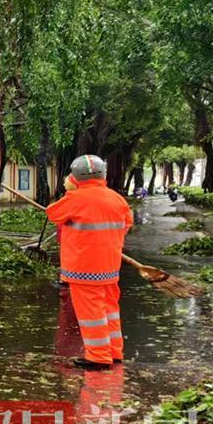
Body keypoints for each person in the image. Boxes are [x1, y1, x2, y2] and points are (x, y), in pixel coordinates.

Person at [46, 154, 133, 370]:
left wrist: (70, 190)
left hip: (84, 269)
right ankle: (114, 351)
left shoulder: (76, 199)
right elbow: (127, 223)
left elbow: (53, 213)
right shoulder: (116, 198)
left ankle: (98, 357)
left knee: (91, 313)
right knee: (109, 309)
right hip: (110, 267)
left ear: (76, 177)